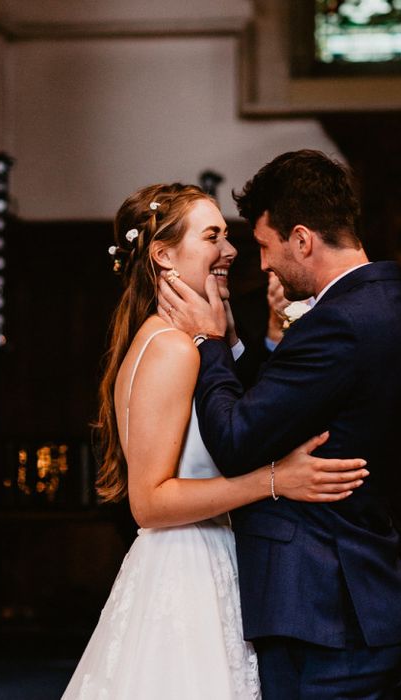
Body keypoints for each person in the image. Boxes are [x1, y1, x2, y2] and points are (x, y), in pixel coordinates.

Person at [158, 151, 401, 700]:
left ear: (302, 240)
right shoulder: (386, 298)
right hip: (355, 591)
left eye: (267, 248)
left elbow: (237, 440)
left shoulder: (340, 323)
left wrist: (209, 342)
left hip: (326, 605)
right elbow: (293, 399)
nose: (264, 266)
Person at [61, 183, 370, 700]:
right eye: (212, 237)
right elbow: (151, 502)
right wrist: (275, 480)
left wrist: (231, 340)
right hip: (186, 573)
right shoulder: (172, 349)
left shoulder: (174, 341)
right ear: (162, 255)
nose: (230, 251)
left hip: (207, 556)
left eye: (227, 236)